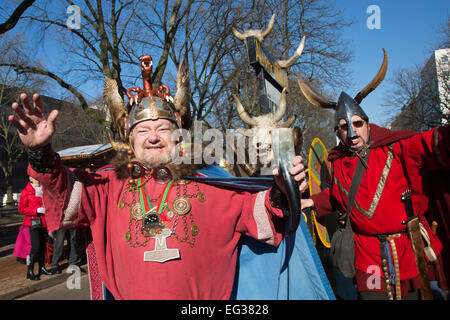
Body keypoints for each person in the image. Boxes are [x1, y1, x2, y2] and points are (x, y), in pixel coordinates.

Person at [8, 70, 308, 299]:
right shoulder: (107, 185)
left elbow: (265, 212)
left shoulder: (214, 183)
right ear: (130, 138)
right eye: (143, 130)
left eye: (162, 128)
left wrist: (284, 190)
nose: (153, 137)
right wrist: (40, 152)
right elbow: (61, 189)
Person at [297, 50, 450, 300]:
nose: (353, 132)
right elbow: (338, 197)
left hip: (409, 249)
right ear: (338, 131)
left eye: (358, 124)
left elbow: (437, 142)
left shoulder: (400, 147)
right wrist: (311, 201)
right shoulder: (338, 162)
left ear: (367, 123)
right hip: (367, 253)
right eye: (345, 127)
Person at [17, 176, 52, 280]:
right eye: (34, 177)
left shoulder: (43, 190)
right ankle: (30, 270)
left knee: (42, 246)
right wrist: (36, 210)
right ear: (30, 179)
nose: (37, 179)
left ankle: (42, 268)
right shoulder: (25, 192)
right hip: (33, 223)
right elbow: (21, 209)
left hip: (44, 222)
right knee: (35, 247)